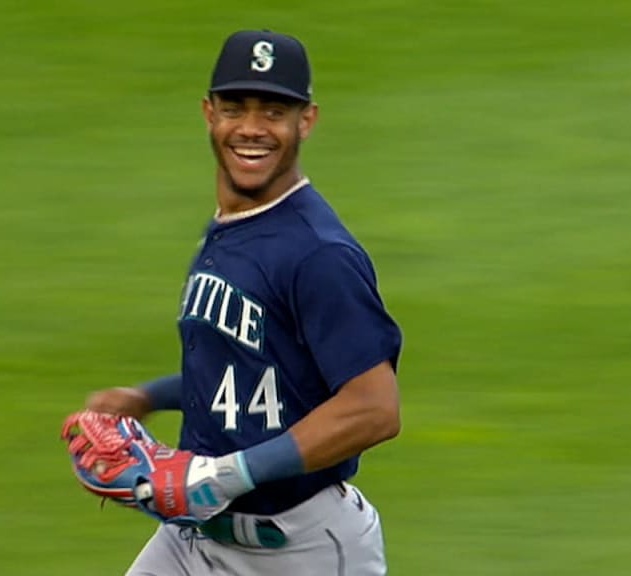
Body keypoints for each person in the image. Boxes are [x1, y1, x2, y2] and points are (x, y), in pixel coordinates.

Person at [85, 29, 403, 575]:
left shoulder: (318, 254)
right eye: (235, 107)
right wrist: (144, 396)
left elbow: (375, 409)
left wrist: (226, 475)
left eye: (273, 111)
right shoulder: (232, 228)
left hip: (300, 551)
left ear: (306, 120)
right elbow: (257, 375)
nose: (252, 128)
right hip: (192, 542)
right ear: (209, 113)